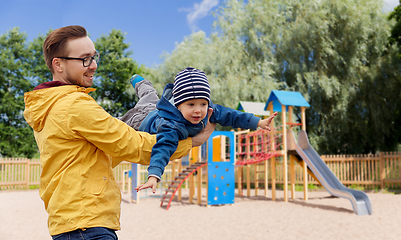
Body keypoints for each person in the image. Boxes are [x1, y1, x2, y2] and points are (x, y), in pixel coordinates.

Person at [23, 25, 215, 240]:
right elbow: (132, 145)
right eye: (84, 59)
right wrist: (191, 142)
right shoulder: (74, 105)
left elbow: (101, 155)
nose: (93, 65)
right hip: (87, 226)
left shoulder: (50, 106)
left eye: (95, 57)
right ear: (58, 63)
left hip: (73, 222)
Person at [126, 67, 277, 193]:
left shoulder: (209, 109)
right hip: (140, 121)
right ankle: (139, 81)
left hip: (157, 110)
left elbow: (231, 115)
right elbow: (163, 148)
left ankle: (140, 82)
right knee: (143, 101)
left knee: (150, 97)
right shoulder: (172, 126)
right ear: (179, 106)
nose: (198, 110)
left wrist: (258, 122)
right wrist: (154, 175)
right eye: (191, 105)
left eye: (202, 104)